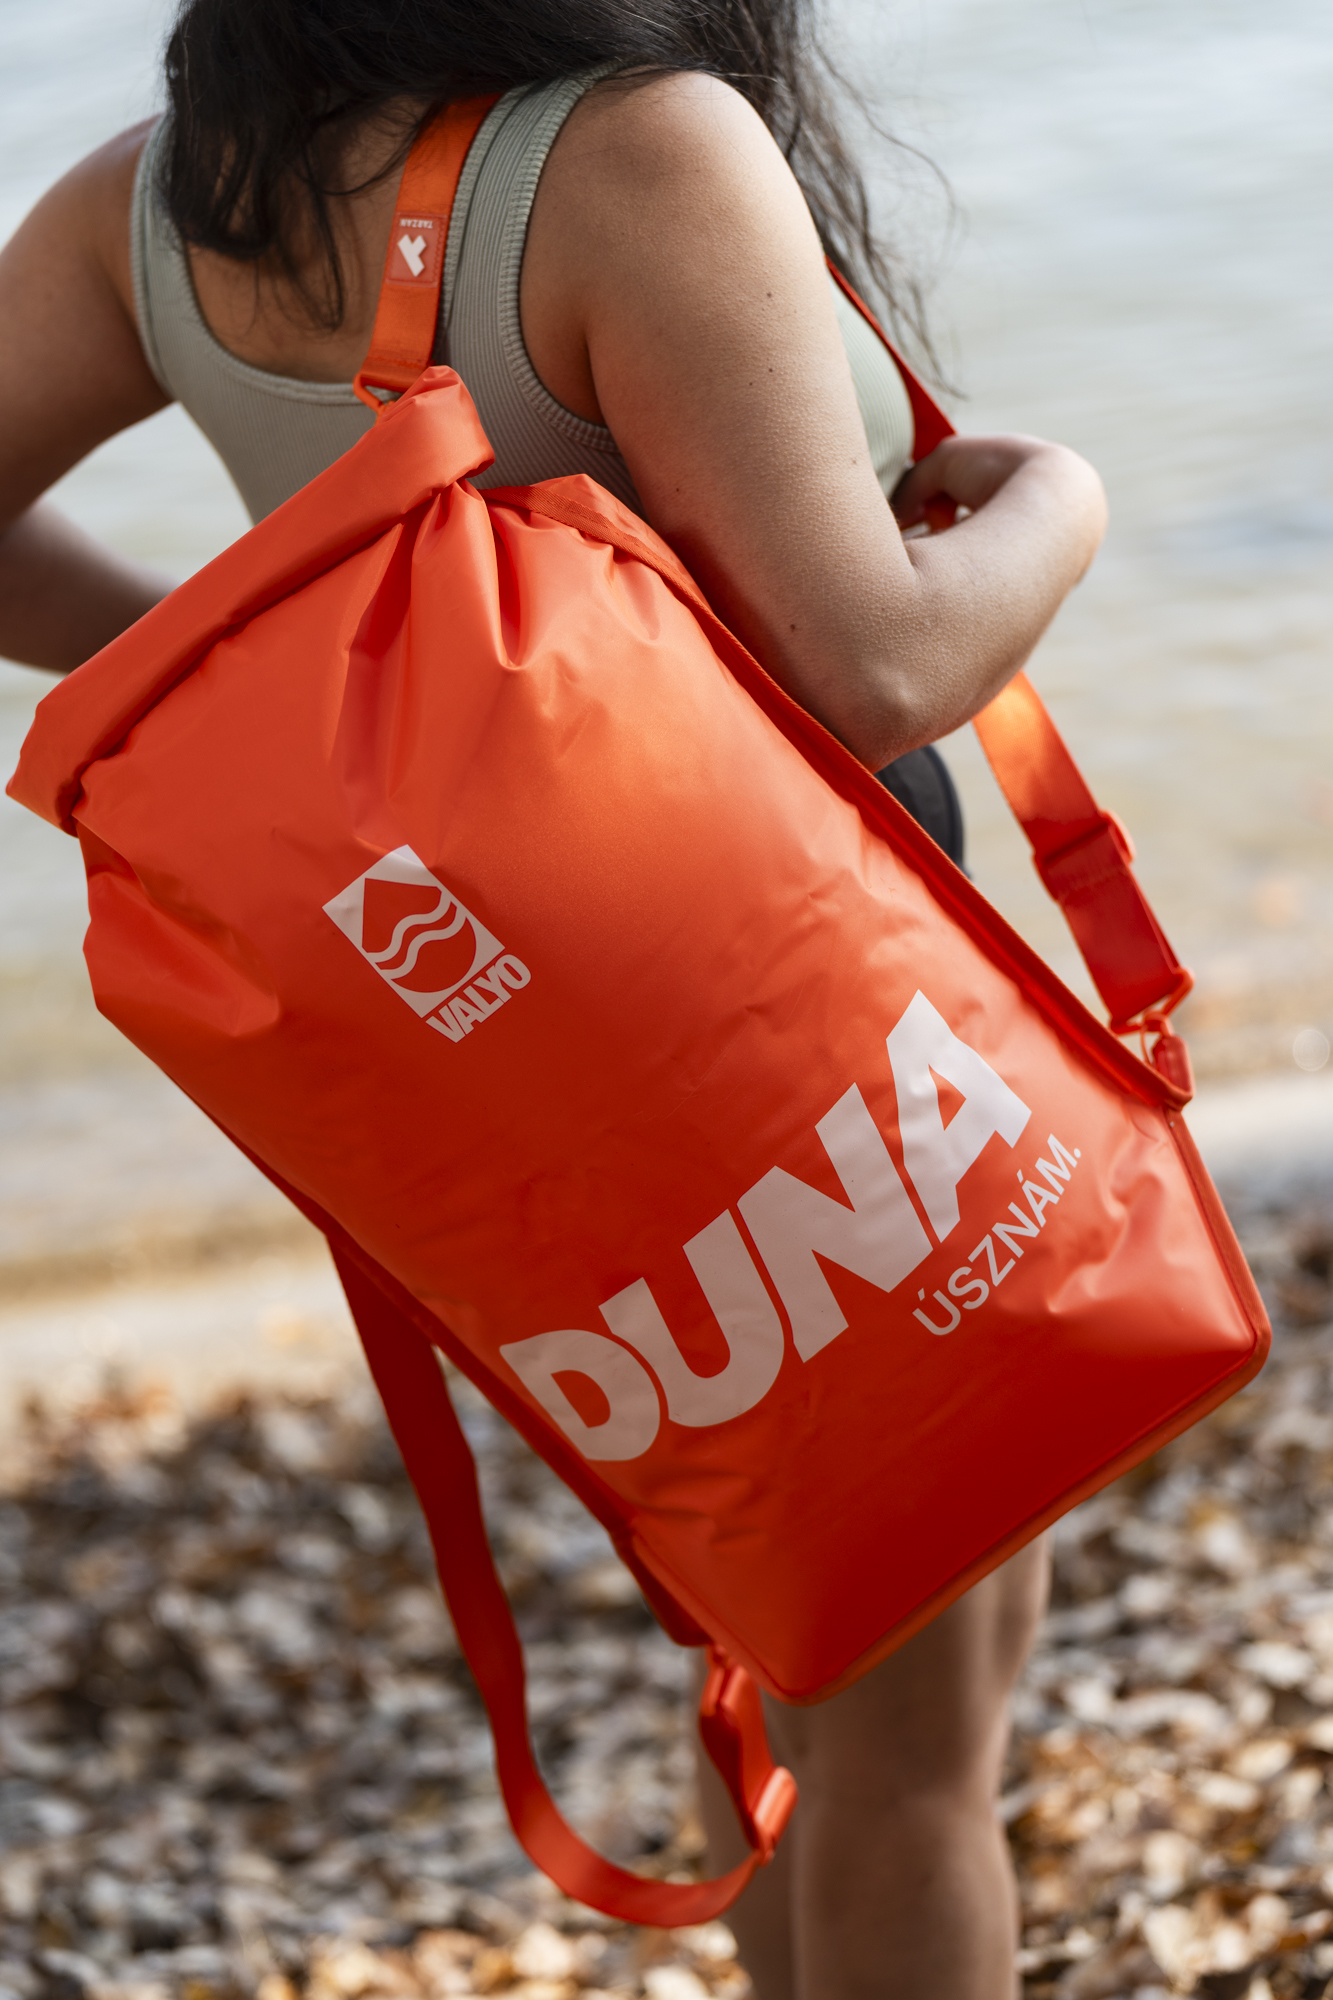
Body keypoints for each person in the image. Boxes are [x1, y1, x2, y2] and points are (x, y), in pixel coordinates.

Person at [0, 3, 1106, 1994]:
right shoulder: (638, 150)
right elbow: (870, 666)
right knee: (915, 1757)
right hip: (803, 1027)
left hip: (516, 1071)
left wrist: (262, 686)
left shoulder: (160, 207)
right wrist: (1060, 498)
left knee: (789, 1668)